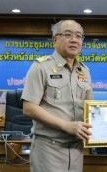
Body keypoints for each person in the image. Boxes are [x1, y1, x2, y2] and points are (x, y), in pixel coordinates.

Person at [21, 19, 93, 172]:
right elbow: (29, 108)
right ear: (55, 39)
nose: (74, 40)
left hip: (76, 150)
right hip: (49, 148)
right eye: (68, 35)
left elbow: (90, 110)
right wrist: (66, 125)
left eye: (79, 36)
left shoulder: (84, 71)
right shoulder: (41, 67)